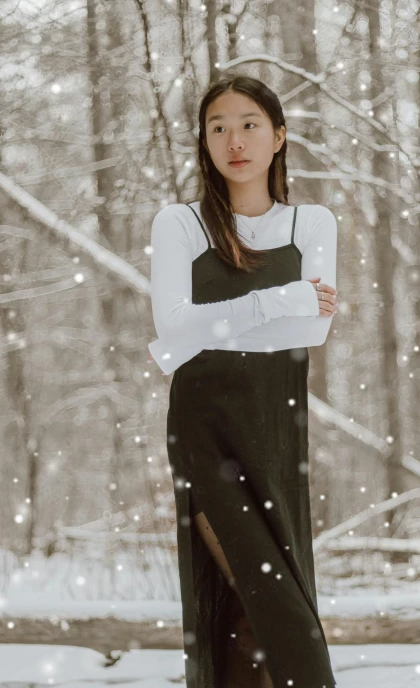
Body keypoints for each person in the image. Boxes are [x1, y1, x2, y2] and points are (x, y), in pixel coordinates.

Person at [148, 74, 338, 688]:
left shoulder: (311, 223)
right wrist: (280, 299)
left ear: (279, 136)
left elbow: (312, 334)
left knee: (257, 611)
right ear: (204, 142)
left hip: (277, 429)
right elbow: (174, 334)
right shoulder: (180, 225)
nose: (235, 139)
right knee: (261, 598)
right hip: (206, 430)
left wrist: (214, 326)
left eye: (250, 124)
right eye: (218, 127)